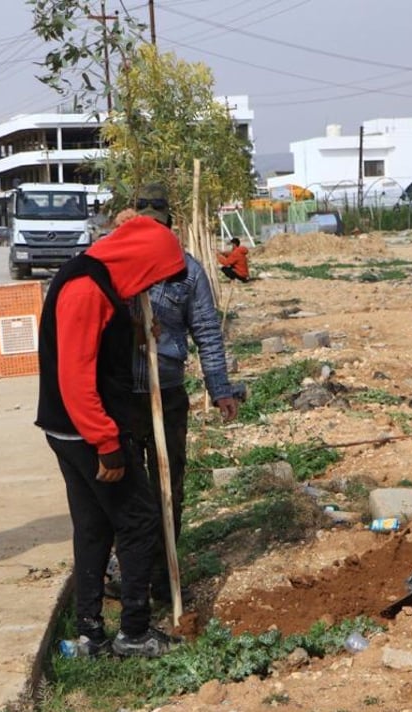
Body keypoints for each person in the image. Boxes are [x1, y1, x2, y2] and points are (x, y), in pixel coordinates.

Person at [36, 190, 186, 658]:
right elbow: (76, 376)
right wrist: (106, 443)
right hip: (85, 428)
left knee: (94, 525)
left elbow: (96, 348)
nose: (150, 289)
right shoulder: (86, 289)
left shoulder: (101, 278)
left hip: (71, 426)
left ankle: (89, 632)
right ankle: (135, 631)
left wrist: (135, 332)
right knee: (139, 520)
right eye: (153, 278)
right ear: (141, 263)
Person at [118, 190, 239, 607]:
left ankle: (162, 576)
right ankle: (128, 577)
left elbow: (206, 331)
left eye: (159, 228)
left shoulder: (188, 272)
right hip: (123, 396)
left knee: (169, 488)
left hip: (166, 392)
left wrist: (219, 388)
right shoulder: (116, 262)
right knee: (126, 489)